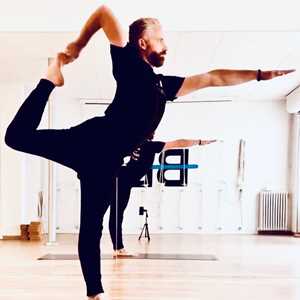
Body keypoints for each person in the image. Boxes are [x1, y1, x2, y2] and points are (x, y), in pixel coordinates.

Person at [5, 4, 294, 300]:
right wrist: (78, 45)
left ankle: (95, 294)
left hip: (107, 162)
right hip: (91, 141)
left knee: (92, 226)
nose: (166, 45)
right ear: (142, 43)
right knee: (15, 137)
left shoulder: (162, 85)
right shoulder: (129, 62)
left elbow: (212, 78)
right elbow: (104, 12)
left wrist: (260, 75)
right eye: (160, 38)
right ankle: (50, 80)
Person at [109, 136, 216, 257]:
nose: (154, 133)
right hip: (121, 180)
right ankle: (118, 249)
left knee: (116, 214)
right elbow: (179, 143)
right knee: (116, 215)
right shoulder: (149, 146)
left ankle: (118, 248)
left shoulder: (135, 143)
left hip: (121, 179)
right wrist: (199, 142)